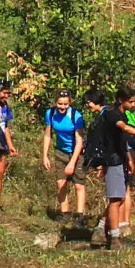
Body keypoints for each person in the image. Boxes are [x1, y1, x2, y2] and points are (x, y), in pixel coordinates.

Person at [92, 85, 135, 250]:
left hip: (121, 158)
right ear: (121, 100)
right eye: (131, 102)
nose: (133, 105)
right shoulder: (111, 114)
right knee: (115, 199)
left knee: (120, 198)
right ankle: (114, 236)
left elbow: (122, 140)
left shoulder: (122, 114)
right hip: (112, 160)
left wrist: (129, 158)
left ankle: (101, 228)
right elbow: (123, 128)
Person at [42, 90, 87, 221]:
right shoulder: (50, 114)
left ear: (70, 103)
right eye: (60, 104)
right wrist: (45, 155)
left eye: (65, 104)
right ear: (56, 103)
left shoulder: (75, 116)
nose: (62, 107)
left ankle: (79, 216)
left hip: (76, 152)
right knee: (61, 183)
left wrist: (72, 163)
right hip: (60, 151)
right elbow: (47, 135)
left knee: (78, 184)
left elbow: (79, 141)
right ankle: (65, 213)